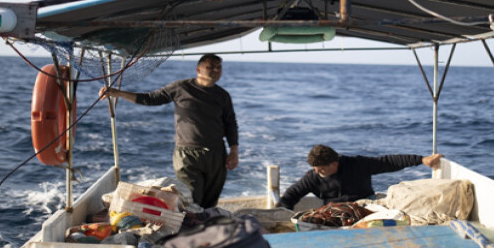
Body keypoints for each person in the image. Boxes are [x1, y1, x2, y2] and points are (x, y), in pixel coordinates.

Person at [99, 54, 238, 208]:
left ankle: (206, 228)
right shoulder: (181, 88)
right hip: (187, 154)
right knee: (192, 198)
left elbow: (230, 123)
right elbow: (151, 98)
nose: (215, 70)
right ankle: (190, 228)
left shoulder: (223, 96)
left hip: (216, 153)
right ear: (198, 69)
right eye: (210, 67)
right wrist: (117, 92)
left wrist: (234, 151)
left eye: (218, 67)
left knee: (210, 200)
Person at [278, 144, 443, 210]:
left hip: (366, 205)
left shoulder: (357, 165)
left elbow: (388, 162)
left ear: (334, 164)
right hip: (333, 211)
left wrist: (421, 159)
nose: (316, 173)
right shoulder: (313, 177)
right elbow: (291, 195)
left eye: (320, 169)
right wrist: (280, 216)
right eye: (315, 169)